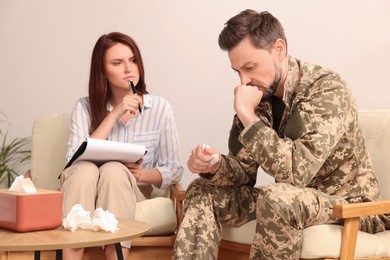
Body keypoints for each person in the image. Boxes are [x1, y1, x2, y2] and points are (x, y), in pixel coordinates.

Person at [172, 9, 389, 260]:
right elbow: (244, 172)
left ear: (279, 49)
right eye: (237, 71)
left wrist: (247, 115)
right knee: (202, 189)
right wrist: (214, 166)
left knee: (278, 197)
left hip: (351, 206)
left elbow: (297, 171)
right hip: (295, 201)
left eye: (250, 66)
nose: (245, 80)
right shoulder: (259, 95)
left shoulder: (327, 88)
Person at [60, 32, 184, 260]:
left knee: (115, 170)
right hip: (85, 186)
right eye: (118, 63)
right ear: (103, 71)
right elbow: (73, 159)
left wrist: (143, 175)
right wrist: (115, 114)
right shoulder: (84, 107)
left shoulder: (160, 108)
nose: (129, 68)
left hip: (132, 189)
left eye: (133, 60)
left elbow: (174, 168)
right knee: (84, 170)